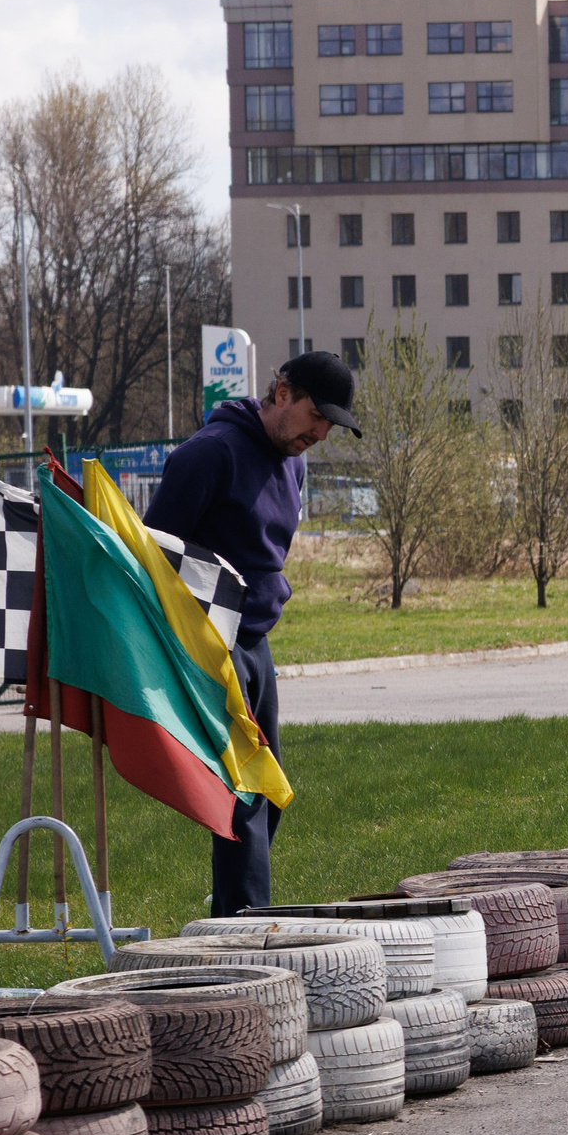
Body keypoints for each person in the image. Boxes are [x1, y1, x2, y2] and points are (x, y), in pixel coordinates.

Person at [144, 350, 360, 915]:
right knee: (245, 794)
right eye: (317, 415)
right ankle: (244, 926)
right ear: (281, 392)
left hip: (257, 642)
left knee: (270, 790)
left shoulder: (294, 459)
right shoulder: (208, 454)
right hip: (211, 641)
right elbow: (153, 553)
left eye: (330, 425)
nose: (320, 432)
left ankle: (235, 903)